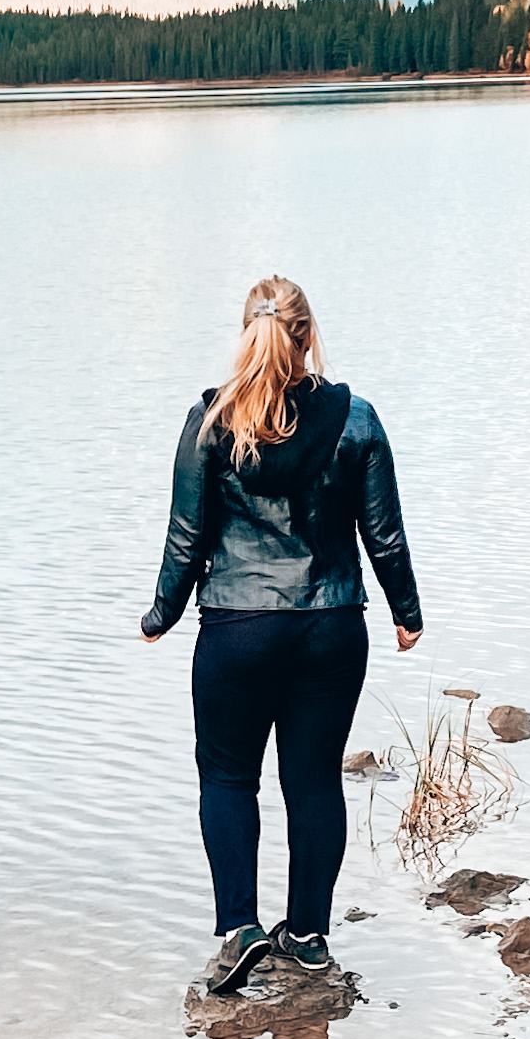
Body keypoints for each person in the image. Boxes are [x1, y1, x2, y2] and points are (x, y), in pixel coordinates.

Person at [141, 276, 423, 994]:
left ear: (245, 333)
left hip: (238, 629)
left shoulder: (211, 422)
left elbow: (185, 534)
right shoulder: (354, 419)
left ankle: (239, 928)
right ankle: (306, 937)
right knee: (312, 780)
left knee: (229, 776)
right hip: (329, 626)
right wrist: (406, 611)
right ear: (307, 335)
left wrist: (161, 613)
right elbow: (382, 532)